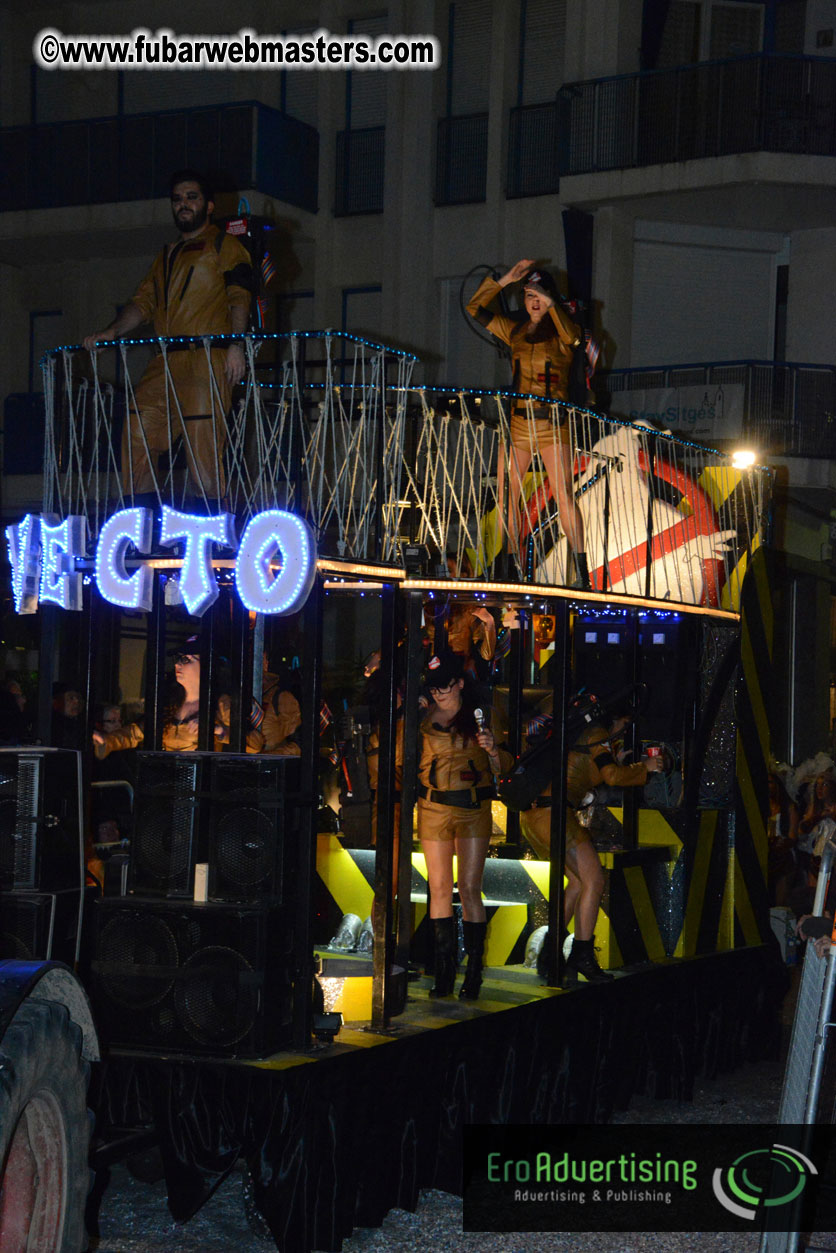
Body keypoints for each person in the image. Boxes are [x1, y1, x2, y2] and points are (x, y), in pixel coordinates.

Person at [83, 169, 253, 506]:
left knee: (203, 441)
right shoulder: (167, 255)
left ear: (208, 205)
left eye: (192, 197)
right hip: (165, 360)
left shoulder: (224, 246)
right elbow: (143, 302)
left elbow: (240, 295)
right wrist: (112, 331)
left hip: (206, 356)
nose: (183, 205)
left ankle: (211, 530)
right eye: (177, 199)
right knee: (137, 425)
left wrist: (236, 345)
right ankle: (141, 519)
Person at [518, 693, 664, 983]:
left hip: (535, 815)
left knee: (577, 881)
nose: (623, 730)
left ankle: (550, 953)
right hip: (554, 815)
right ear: (616, 720)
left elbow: (586, 772)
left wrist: (620, 763)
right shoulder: (597, 732)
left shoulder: (581, 734)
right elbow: (611, 776)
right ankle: (582, 955)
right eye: (624, 724)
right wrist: (644, 769)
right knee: (595, 880)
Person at [466, 258, 590, 588]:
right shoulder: (516, 332)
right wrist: (504, 280)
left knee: (563, 494)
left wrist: (552, 305)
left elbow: (576, 341)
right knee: (508, 497)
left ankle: (582, 571)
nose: (533, 301)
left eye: (539, 295)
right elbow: (474, 308)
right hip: (518, 425)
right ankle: (511, 565)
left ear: (550, 298)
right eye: (529, 295)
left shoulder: (565, 332)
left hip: (553, 424)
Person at [417, 650, 513, 1000]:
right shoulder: (421, 715)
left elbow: (506, 766)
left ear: (459, 683)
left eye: (445, 686)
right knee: (439, 887)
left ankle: (474, 971)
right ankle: (443, 973)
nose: (439, 693)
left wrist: (491, 750)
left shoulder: (482, 715)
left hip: (473, 807)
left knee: (469, 887)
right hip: (434, 807)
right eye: (434, 688)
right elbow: (404, 758)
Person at [93, 637, 264, 756]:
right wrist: (106, 741)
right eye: (178, 659)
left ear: (208, 665)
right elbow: (137, 732)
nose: (177, 664)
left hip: (201, 788)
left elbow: (255, 744)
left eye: (186, 659)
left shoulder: (222, 704)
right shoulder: (171, 701)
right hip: (167, 782)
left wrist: (219, 730)